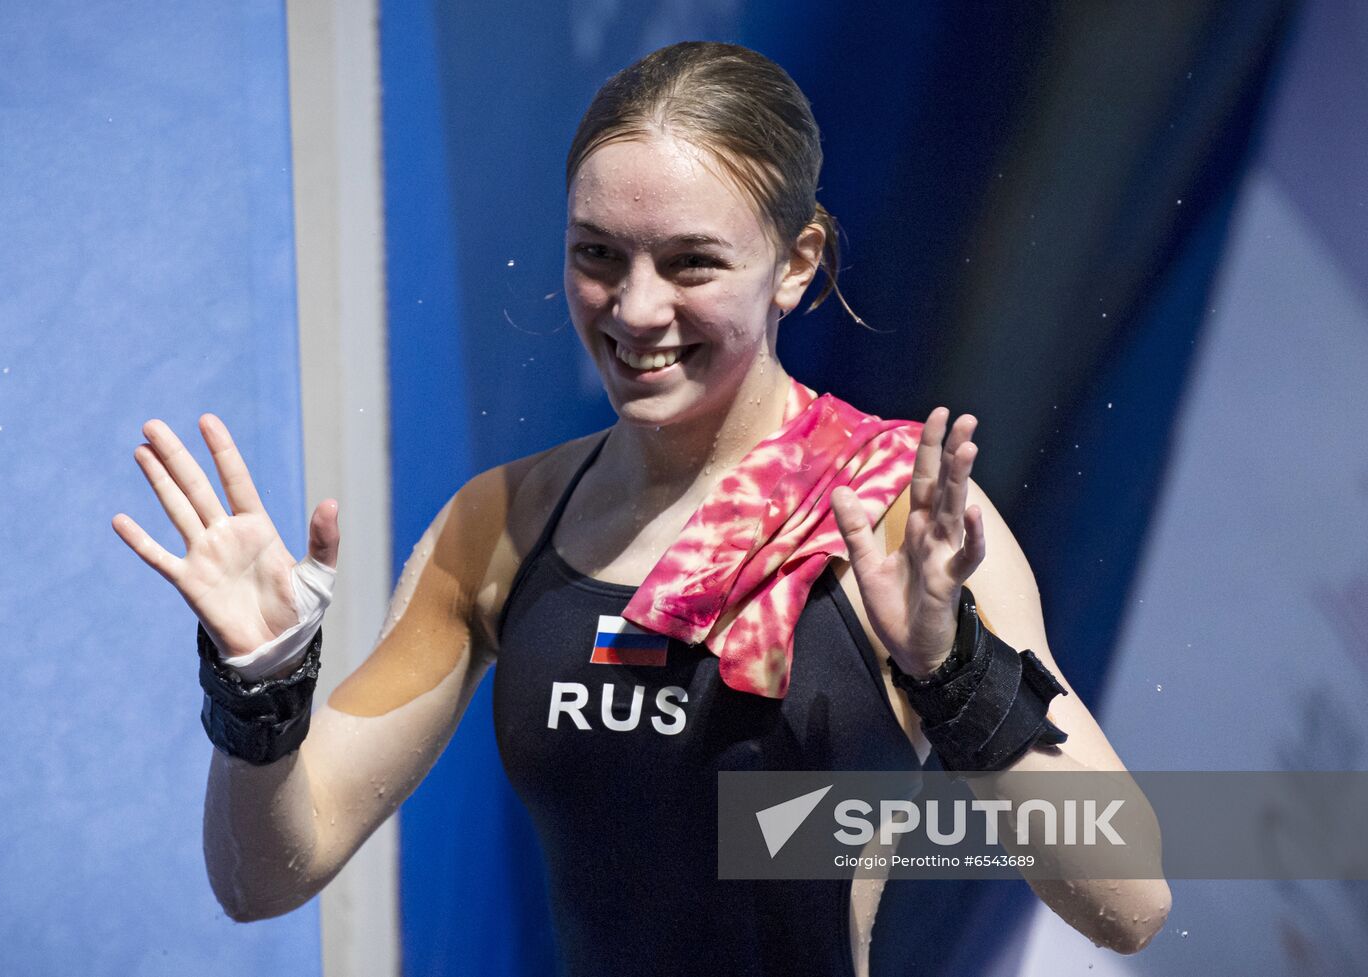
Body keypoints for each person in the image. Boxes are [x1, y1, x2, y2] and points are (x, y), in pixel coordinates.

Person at [112, 40, 1169, 976]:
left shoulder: (893, 517)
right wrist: (260, 693)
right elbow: (265, 877)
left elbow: (1129, 902)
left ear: (796, 263)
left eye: (691, 262)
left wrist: (950, 667)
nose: (634, 308)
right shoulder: (498, 528)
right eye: (597, 254)